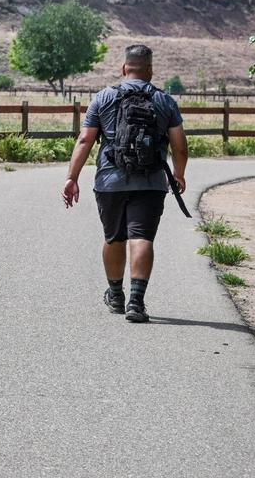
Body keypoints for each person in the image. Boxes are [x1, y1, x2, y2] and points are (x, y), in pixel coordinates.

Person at [60, 44, 188, 323]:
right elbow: (179, 146)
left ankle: (116, 294)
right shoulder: (164, 101)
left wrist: (72, 177)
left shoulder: (103, 97)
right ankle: (136, 302)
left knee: (114, 238)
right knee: (142, 237)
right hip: (151, 182)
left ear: (124, 69)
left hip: (109, 180)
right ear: (151, 70)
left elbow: (84, 140)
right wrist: (178, 174)